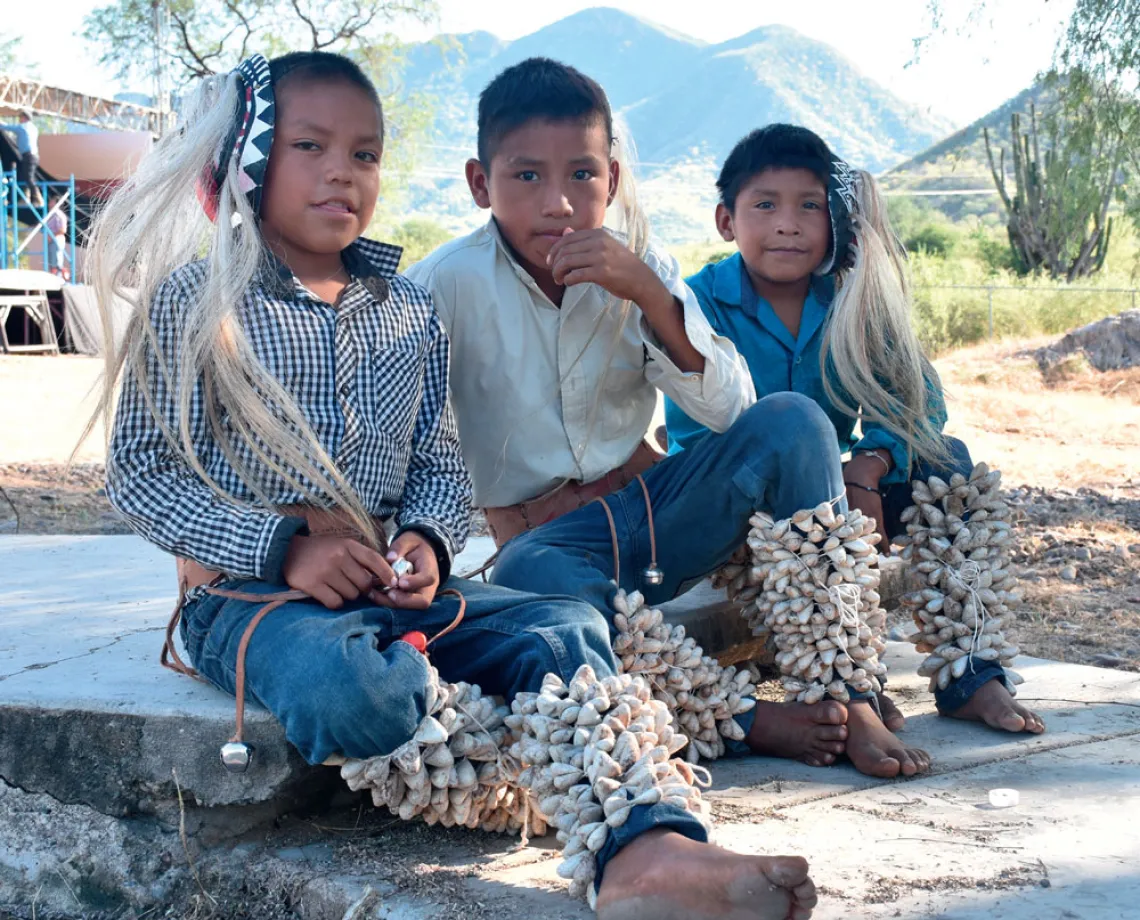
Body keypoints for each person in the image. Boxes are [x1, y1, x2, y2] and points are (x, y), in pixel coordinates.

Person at [88, 51, 818, 920]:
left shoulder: (405, 309)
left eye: (364, 155)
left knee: (566, 626)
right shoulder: (197, 301)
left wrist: (427, 544)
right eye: (310, 147)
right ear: (248, 161)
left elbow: (438, 464)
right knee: (358, 692)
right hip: (251, 601)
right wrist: (284, 552)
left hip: (396, 595)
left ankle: (644, 849)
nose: (341, 173)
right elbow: (139, 472)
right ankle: (560, 761)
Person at [407, 58, 919, 778]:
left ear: (611, 180)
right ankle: (743, 718)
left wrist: (648, 293)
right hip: (544, 544)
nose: (558, 203)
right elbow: (403, 441)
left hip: (654, 515)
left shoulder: (640, 263)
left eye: (582, 176)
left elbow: (732, 410)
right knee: (536, 571)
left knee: (793, 420)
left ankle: (847, 689)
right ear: (478, 183)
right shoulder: (438, 286)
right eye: (527, 177)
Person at [664, 124, 1045, 740]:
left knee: (947, 463)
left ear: (836, 223)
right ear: (726, 221)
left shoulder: (852, 294)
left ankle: (971, 671)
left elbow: (918, 398)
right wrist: (825, 490)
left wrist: (868, 466)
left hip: (842, 492)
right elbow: (698, 428)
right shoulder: (697, 301)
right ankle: (852, 684)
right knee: (810, 526)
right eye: (765, 205)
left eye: (810, 206)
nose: (788, 224)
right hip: (738, 505)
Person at [0, 109, 43, 207]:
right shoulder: (32, 128)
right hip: (32, 156)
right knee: (24, 176)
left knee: (28, 177)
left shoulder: (23, 127)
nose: (19, 119)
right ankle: (25, 198)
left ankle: (38, 197)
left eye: (20, 117)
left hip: (29, 156)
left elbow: (8, 127)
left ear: (24, 118)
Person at [45, 193, 68, 278]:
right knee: (51, 262)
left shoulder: (58, 214)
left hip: (56, 240)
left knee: (56, 262)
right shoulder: (50, 214)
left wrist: (52, 236)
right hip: (51, 240)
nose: (49, 204)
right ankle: (54, 277)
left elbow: (62, 230)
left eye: (52, 202)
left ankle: (60, 277)